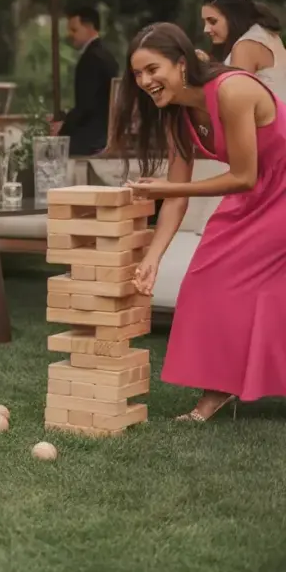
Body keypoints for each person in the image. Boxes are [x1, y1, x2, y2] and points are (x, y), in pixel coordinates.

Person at [113, 21, 286, 422]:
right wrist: (153, 256)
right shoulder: (177, 114)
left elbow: (242, 174)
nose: (144, 81)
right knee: (205, 279)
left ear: (182, 64)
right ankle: (221, 385)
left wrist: (165, 190)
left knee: (252, 285)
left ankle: (221, 390)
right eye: (137, 74)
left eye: (152, 70)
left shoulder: (233, 90)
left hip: (272, 186)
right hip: (256, 192)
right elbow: (176, 193)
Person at [201, 0, 286, 101]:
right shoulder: (262, 33)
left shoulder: (246, 46)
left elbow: (232, 101)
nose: (206, 29)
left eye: (212, 21)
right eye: (205, 22)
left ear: (233, 17)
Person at [57, 6, 120, 155]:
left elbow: (86, 105)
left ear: (89, 27)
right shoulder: (106, 55)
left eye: (74, 30)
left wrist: (62, 129)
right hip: (104, 134)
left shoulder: (91, 58)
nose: (70, 34)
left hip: (91, 138)